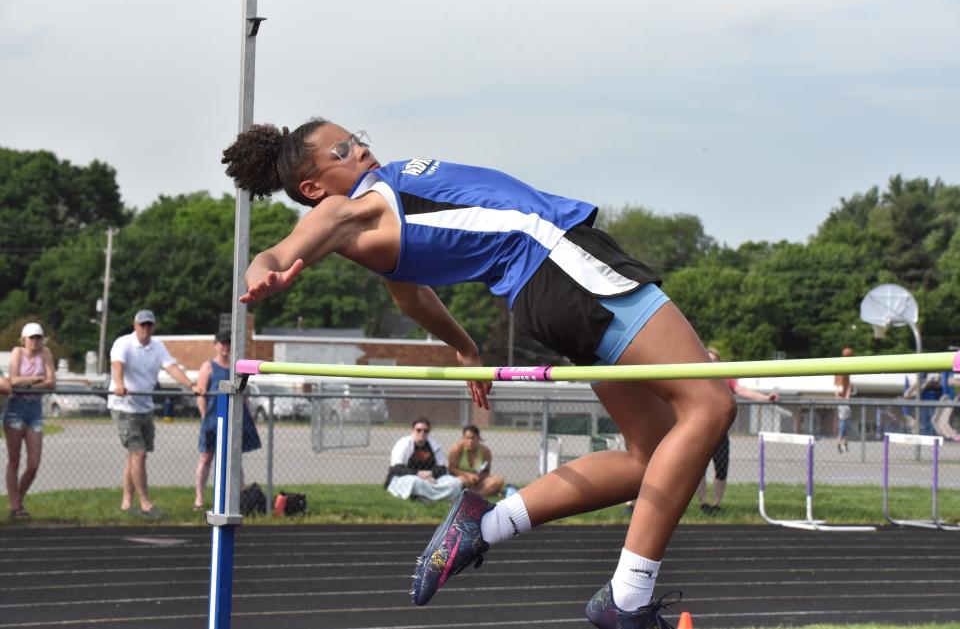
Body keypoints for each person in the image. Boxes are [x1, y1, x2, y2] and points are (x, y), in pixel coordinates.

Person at [224, 118, 736, 627]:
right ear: (313, 186)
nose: (359, 150)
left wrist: (465, 348)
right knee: (710, 405)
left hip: (546, 291)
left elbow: (411, 295)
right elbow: (278, 252)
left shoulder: (380, 213)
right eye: (341, 149)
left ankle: (484, 527)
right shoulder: (345, 208)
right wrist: (263, 274)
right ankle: (628, 596)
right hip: (562, 259)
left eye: (358, 139)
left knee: (649, 456)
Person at [108, 309, 202, 517]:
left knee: (135, 456)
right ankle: (145, 502)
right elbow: (117, 365)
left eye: (149, 325)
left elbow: (172, 368)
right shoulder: (123, 343)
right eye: (142, 325)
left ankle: (126, 502)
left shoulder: (157, 347)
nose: (146, 329)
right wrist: (120, 384)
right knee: (138, 454)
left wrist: (191, 385)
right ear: (135, 326)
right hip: (124, 406)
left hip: (145, 405)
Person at [695, 348, 778, 515]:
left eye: (715, 360)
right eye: (709, 359)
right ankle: (703, 503)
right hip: (701, 431)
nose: (712, 363)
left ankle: (716, 504)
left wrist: (766, 398)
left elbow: (744, 391)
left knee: (722, 469)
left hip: (720, 432)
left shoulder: (726, 379)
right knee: (699, 471)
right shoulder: (697, 377)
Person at [193, 330, 262, 511]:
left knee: (235, 458)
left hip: (235, 420)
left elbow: (244, 394)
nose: (225, 347)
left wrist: (248, 415)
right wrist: (204, 416)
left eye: (228, 343)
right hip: (213, 419)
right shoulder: (208, 367)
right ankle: (199, 499)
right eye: (222, 343)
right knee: (206, 457)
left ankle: (240, 496)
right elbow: (200, 392)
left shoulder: (236, 368)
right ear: (216, 345)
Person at [3, 323, 56, 520]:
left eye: (38, 338)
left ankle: (16, 499)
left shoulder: (46, 353)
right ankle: (16, 506)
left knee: (34, 463)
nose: (35, 342)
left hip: (35, 408)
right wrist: (36, 378)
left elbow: (52, 381)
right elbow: (13, 380)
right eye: (31, 338)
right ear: (24, 339)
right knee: (14, 460)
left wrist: (29, 382)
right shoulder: (18, 352)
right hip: (16, 407)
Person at [384, 418, 464, 502]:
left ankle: (425, 497)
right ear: (412, 430)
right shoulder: (403, 444)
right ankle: (439, 497)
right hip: (407, 478)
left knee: (455, 483)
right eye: (418, 430)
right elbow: (397, 468)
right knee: (416, 483)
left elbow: (442, 468)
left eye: (425, 431)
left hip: (431, 479)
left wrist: (430, 473)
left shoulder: (434, 446)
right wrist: (419, 474)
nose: (422, 433)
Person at [446, 425, 505, 497]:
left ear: (478, 438)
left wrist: (477, 478)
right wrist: (468, 475)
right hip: (462, 478)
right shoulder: (456, 449)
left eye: (473, 438)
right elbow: (451, 469)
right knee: (461, 481)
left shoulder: (485, 451)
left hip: (478, 480)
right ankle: (477, 493)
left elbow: (486, 471)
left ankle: (477, 496)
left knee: (498, 480)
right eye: (467, 438)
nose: (470, 441)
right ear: (463, 438)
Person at [834, 346, 854, 453]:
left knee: (845, 433)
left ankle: (845, 445)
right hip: (843, 419)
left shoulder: (842, 402)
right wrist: (847, 389)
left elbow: (843, 394)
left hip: (846, 418)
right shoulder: (843, 402)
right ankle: (838, 444)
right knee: (842, 432)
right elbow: (844, 395)